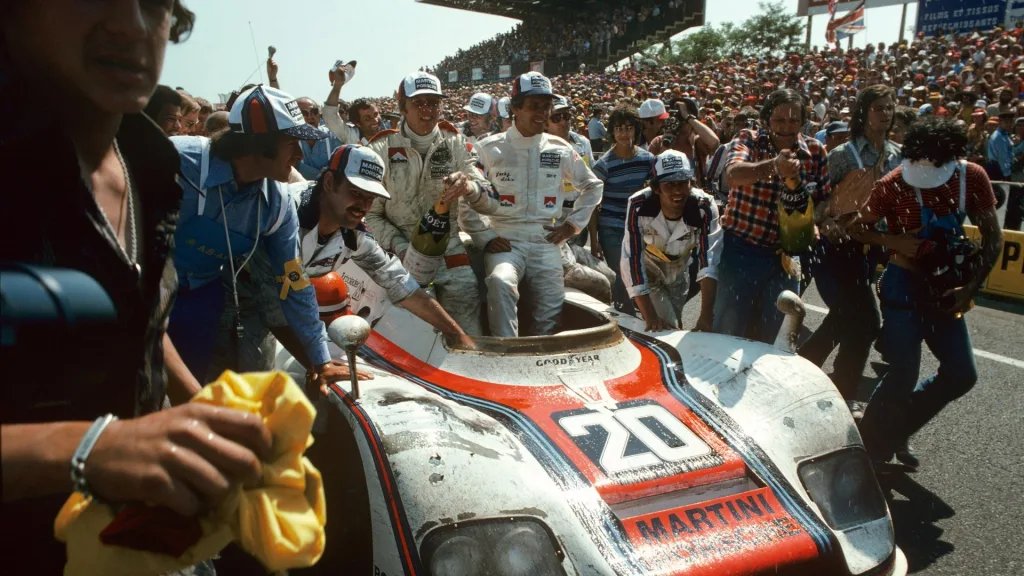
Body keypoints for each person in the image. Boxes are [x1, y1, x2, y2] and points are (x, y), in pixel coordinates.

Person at [0, 2, 272, 574]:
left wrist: (196, 408)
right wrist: (87, 451)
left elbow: (144, 322)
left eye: (153, 3)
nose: (131, 26)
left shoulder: (155, 165)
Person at [848, 117, 1003, 469]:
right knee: (903, 373)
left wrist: (970, 288)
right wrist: (893, 240)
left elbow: (994, 236)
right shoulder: (894, 182)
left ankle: (897, 427)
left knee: (962, 373)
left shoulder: (972, 178)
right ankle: (869, 449)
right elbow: (859, 229)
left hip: (947, 288)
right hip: (903, 283)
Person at [169, 85, 340, 389]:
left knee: (187, 388)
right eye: (292, 144)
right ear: (260, 143)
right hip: (139, 288)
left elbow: (294, 282)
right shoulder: (178, 160)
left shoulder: (278, 203)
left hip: (200, 300)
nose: (300, 156)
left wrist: (320, 358)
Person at [294, 145, 476, 367]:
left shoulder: (355, 235)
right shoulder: (288, 216)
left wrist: (457, 335)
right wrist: (319, 363)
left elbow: (400, 283)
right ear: (330, 183)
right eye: (356, 193)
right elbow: (272, 298)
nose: (363, 206)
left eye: (371, 198)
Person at [467, 72, 603, 337]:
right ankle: (505, 352)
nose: (542, 113)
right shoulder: (488, 148)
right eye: (534, 106)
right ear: (516, 108)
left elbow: (593, 185)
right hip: (506, 240)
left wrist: (572, 227)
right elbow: (467, 197)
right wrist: (484, 236)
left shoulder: (560, 148)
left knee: (551, 308)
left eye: (546, 106)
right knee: (499, 281)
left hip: (546, 241)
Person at [367, 72, 493, 336]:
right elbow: (371, 216)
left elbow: (488, 197)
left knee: (467, 293)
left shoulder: (455, 141)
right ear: (403, 107)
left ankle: (471, 366)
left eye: (434, 103)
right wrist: (398, 246)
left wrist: (468, 187)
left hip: (450, 246)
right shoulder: (380, 148)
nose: (428, 110)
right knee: (419, 322)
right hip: (401, 248)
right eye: (419, 103)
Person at [801, 85, 901, 414]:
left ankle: (809, 376)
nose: (885, 114)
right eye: (878, 108)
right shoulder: (844, 155)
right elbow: (817, 198)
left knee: (847, 320)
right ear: (864, 113)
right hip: (840, 246)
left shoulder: (898, 154)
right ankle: (837, 389)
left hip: (874, 248)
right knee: (866, 321)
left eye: (889, 107)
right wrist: (825, 221)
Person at [714, 89, 832, 344]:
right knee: (728, 331)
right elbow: (733, 174)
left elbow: (823, 199)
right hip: (741, 251)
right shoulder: (749, 139)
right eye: (779, 120)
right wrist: (774, 167)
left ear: (803, 121)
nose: (786, 127)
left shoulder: (815, 151)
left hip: (786, 256)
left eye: (793, 120)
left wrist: (816, 221)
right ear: (767, 120)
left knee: (778, 337)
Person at [622, 150, 721, 332]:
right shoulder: (638, 205)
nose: (677, 191)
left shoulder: (705, 206)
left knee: (676, 324)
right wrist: (650, 317)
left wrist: (706, 317)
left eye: (683, 183)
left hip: (680, 273)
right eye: (669, 185)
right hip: (649, 272)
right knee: (667, 327)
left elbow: (710, 260)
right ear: (656, 188)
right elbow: (631, 259)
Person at [592, 105, 657, 315]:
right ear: (612, 131)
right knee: (623, 275)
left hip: (640, 229)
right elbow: (593, 204)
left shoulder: (648, 160)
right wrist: (594, 240)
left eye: (628, 128)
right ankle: (624, 320)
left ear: (635, 130)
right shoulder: (603, 165)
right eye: (619, 128)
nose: (623, 133)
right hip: (611, 228)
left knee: (641, 275)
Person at [547, 94, 611, 302]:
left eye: (567, 115)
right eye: (557, 117)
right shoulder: (540, 148)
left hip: (578, 218)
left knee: (601, 278)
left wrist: (594, 240)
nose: (564, 121)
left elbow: (591, 191)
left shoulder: (582, 142)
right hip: (553, 221)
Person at [323, 70, 380, 145]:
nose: (375, 120)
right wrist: (337, 85)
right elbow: (330, 115)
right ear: (358, 123)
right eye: (367, 118)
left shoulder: (389, 136)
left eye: (376, 115)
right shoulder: (351, 136)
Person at [295, 96, 343, 179]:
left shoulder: (332, 137)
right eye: (304, 113)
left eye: (314, 112)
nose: (310, 116)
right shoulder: (290, 140)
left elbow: (339, 167)